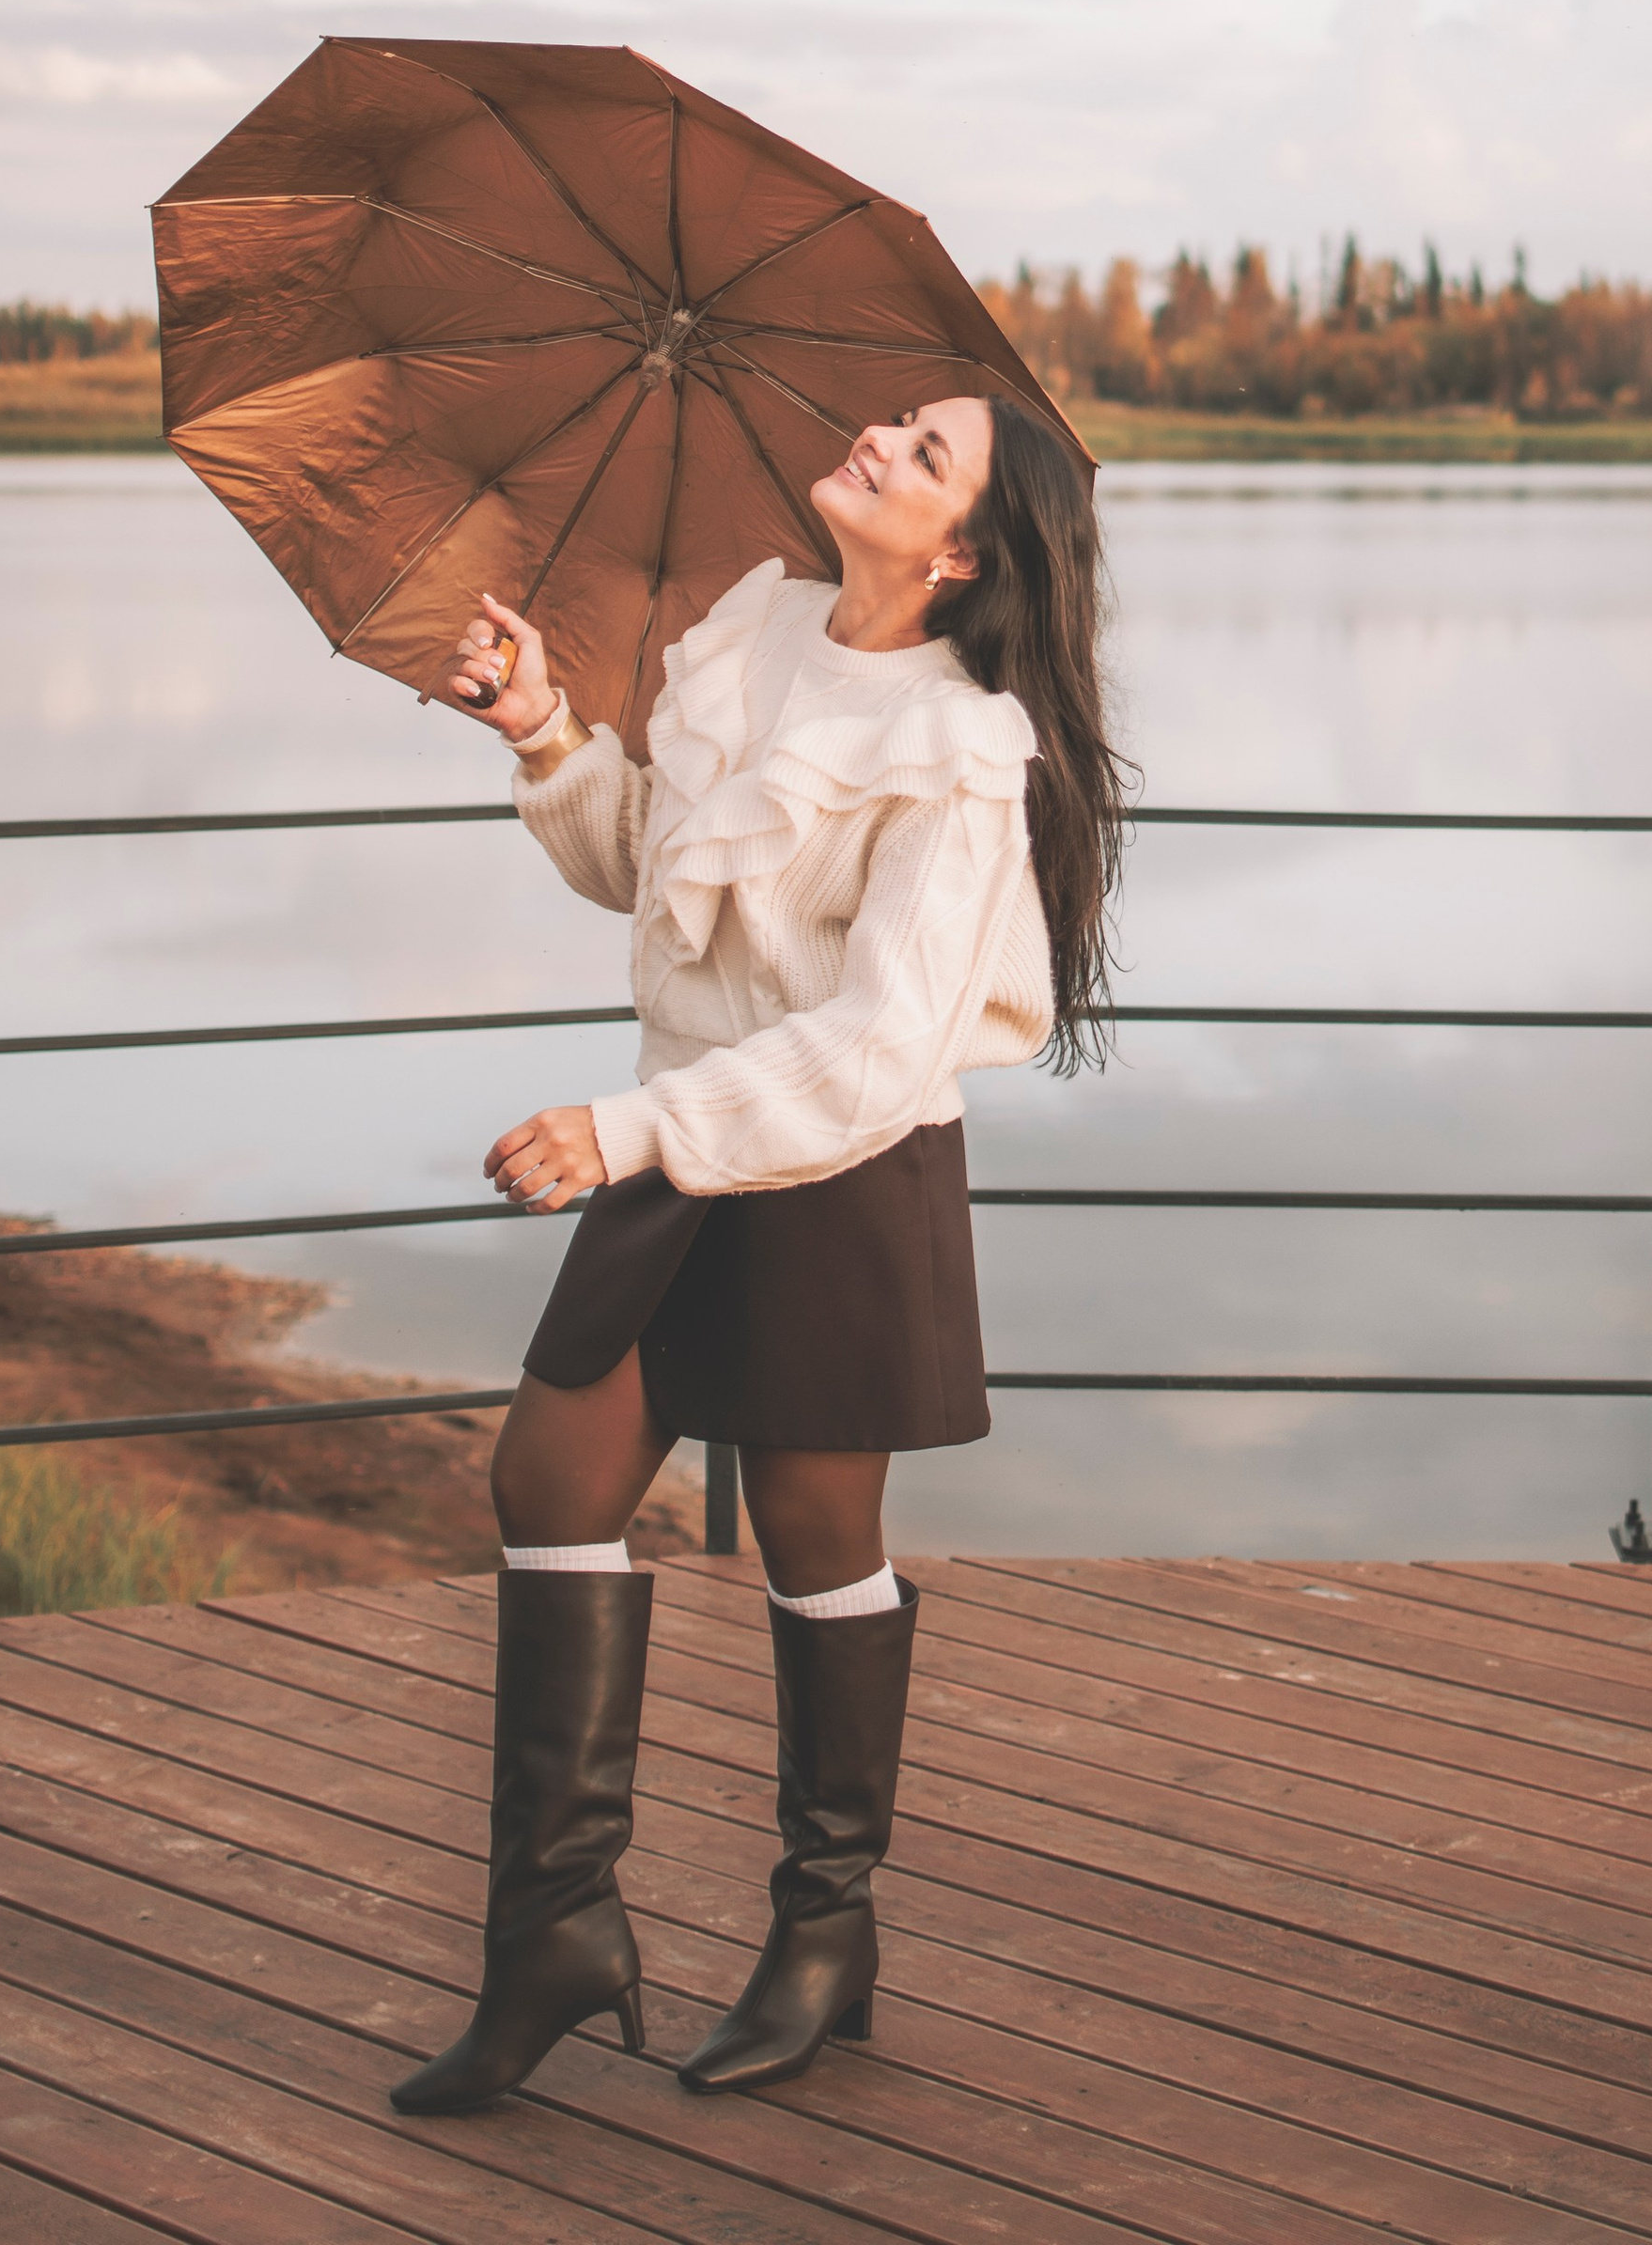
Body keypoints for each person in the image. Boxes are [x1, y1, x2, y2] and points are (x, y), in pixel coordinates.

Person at [389, 394, 1123, 2117]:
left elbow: (877, 1051)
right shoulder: (754, 626)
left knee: (813, 1539)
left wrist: (622, 1132)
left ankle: (823, 1934)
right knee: (548, 1480)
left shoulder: (962, 751)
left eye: (924, 451)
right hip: (686, 1141)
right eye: (899, 421)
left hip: (835, 1166)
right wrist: (549, 735)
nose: (878, 436)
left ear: (957, 554)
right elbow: (661, 876)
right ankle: (555, 1938)